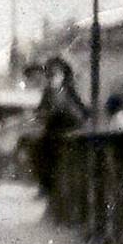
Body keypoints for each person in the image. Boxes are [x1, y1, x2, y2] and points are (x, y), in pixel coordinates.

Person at [34, 57, 88, 200]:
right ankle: (46, 187)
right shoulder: (48, 93)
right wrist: (43, 114)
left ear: (63, 76)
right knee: (42, 153)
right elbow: (40, 111)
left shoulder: (69, 91)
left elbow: (82, 113)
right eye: (50, 75)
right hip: (52, 132)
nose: (52, 78)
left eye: (56, 74)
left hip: (69, 131)